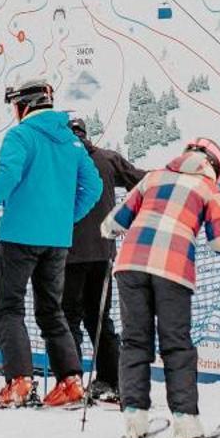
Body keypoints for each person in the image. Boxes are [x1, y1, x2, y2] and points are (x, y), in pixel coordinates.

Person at [0, 78, 101, 409]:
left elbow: (9, 175)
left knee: (8, 308)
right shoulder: (71, 141)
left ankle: (20, 382)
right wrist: (65, 218)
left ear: (23, 106)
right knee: (51, 311)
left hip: (19, 237)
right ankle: (70, 382)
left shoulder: (21, 136)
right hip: (57, 240)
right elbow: (93, 187)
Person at [102, 137, 220, 438]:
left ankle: (135, 420)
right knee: (176, 345)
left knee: (135, 342)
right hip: (173, 267)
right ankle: (186, 422)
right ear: (214, 166)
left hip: (131, 264)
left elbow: (113, 223)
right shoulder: (208, 188)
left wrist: (111, 233)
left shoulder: (153, 177)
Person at [63, 115, 144, 405]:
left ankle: (69, 380)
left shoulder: (61, 160)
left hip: (68, 253)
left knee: (68, 316)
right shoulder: (107, 159)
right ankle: (113, 379)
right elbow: (141, 179)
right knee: (98, 318)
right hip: (103, 252)